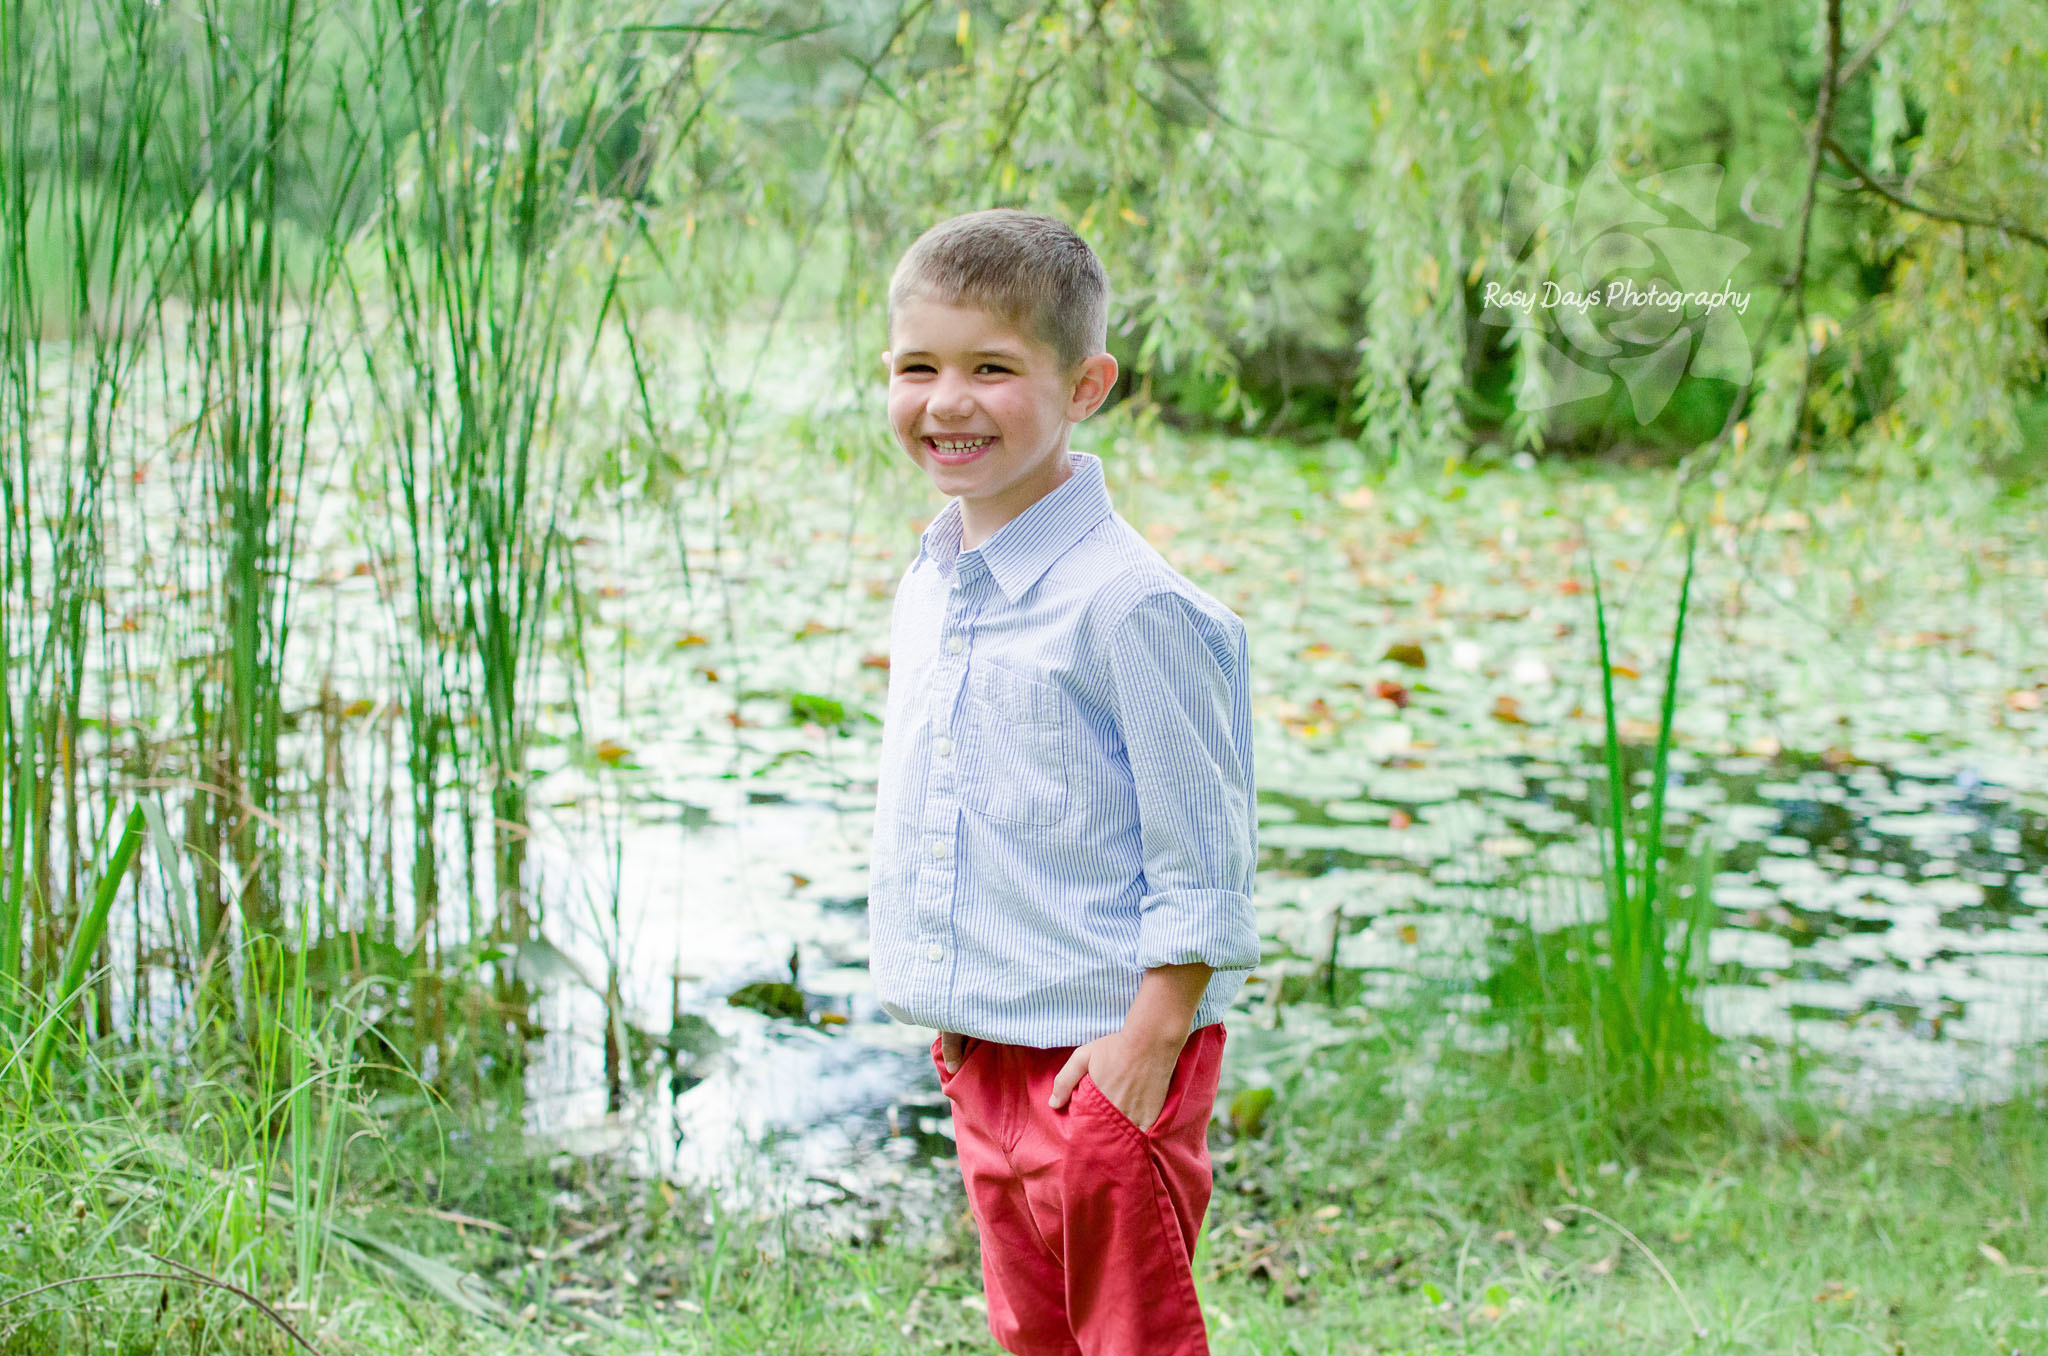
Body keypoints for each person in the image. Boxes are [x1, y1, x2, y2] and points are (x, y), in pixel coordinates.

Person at [866, 207, 1258, 1356]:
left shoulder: (1130, 605)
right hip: (985, 1039)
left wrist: (1147, 1042)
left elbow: (1203, 855)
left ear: (1084, 385)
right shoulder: (933, 581)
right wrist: (952, 1008)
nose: (947, 401)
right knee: (1030, 1332)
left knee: (1131, 1339)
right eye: (917, 367)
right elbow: (944, 808)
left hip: (1107, 1052)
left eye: (991, 368)